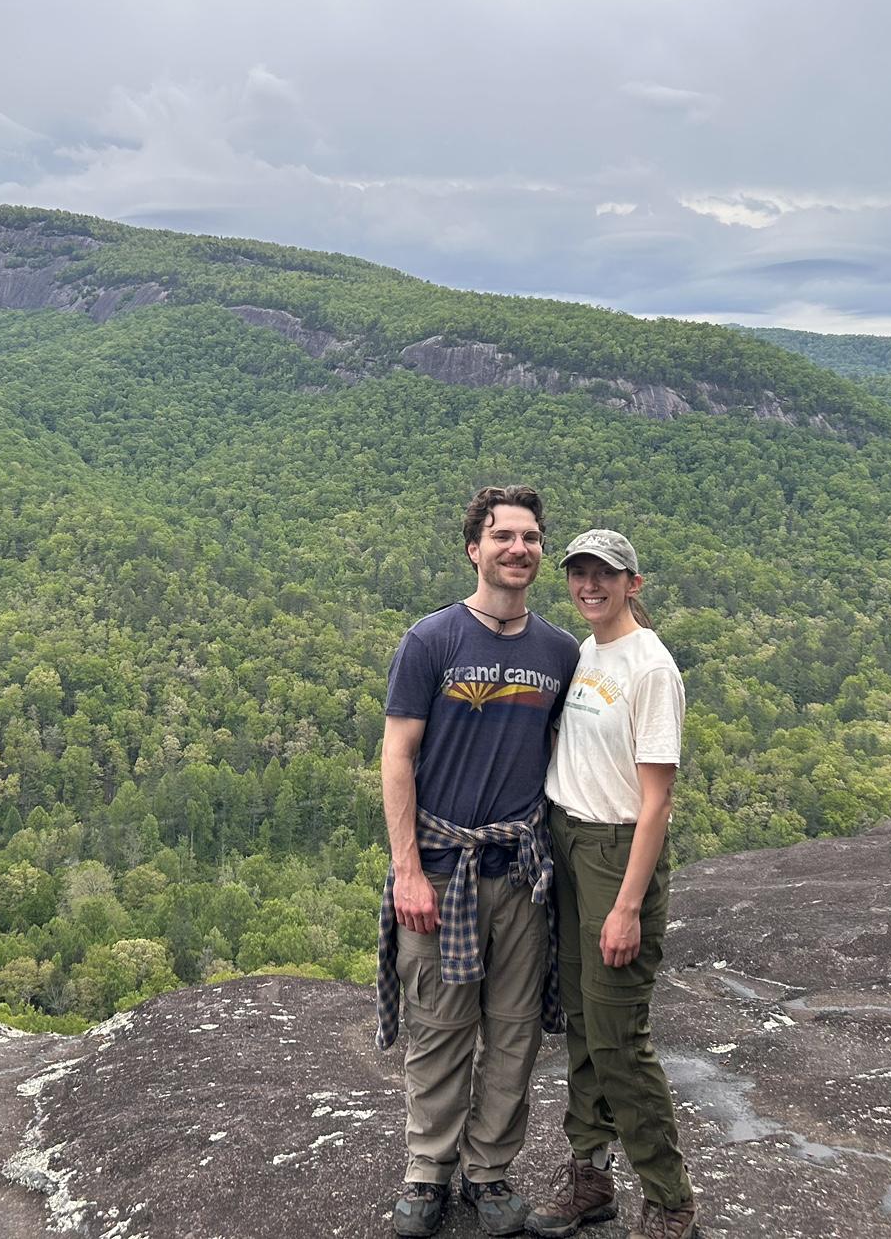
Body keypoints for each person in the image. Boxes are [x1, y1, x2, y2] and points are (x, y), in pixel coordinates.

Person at [377, 485, 581, 1238]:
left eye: (530, 538)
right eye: (503, 537)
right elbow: (397, 755)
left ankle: (489, 1173)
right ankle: (427, 1174)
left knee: (515, 1030)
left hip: (520, 876)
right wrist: (406, 870)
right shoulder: (431, 641)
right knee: (439, 1025)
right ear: (475, 549)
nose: (519, 549)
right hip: (440, 867)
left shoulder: (559, 652)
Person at [528, 529, 699, 1239]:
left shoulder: (651, 669)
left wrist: (628, 905)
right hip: (568, 844)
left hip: (614, 852)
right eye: (579, 573)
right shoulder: (590, 652)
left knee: (619, 1037)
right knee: (582, 1023)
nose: (589, 585)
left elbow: (657, 799)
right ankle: (591, 1179)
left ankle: (669, 1198)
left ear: (635, 583)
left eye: (605, 574)